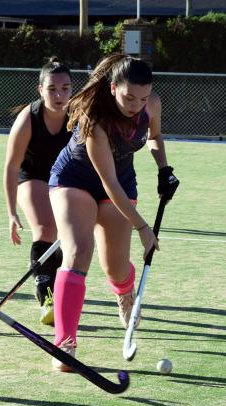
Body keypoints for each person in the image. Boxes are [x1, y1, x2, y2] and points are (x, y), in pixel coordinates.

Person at [47, 54, 179, 372]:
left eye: (144, 97)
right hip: (74, 179)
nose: (137, 104)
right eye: (129, 97)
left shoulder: (152, 104)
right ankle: (64, 343)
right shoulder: (95, 117)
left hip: (122, 180)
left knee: (116, 267)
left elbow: (155, 138)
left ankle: (124, 292)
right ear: (113, 87)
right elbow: (108, 185)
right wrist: (143, 228)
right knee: (78, 252)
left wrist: (164, 169)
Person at [3, 59, 72, 325]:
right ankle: (45, 297)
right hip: (32, 177)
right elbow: (10, 168)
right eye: (52, 89)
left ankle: (59, 289)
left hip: (65, 179)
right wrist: (10, 212)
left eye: (65, 89)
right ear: (40, 89)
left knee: (68, 236)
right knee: (45, 229)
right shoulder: (28, 119)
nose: (59, 95)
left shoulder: (77, 117)